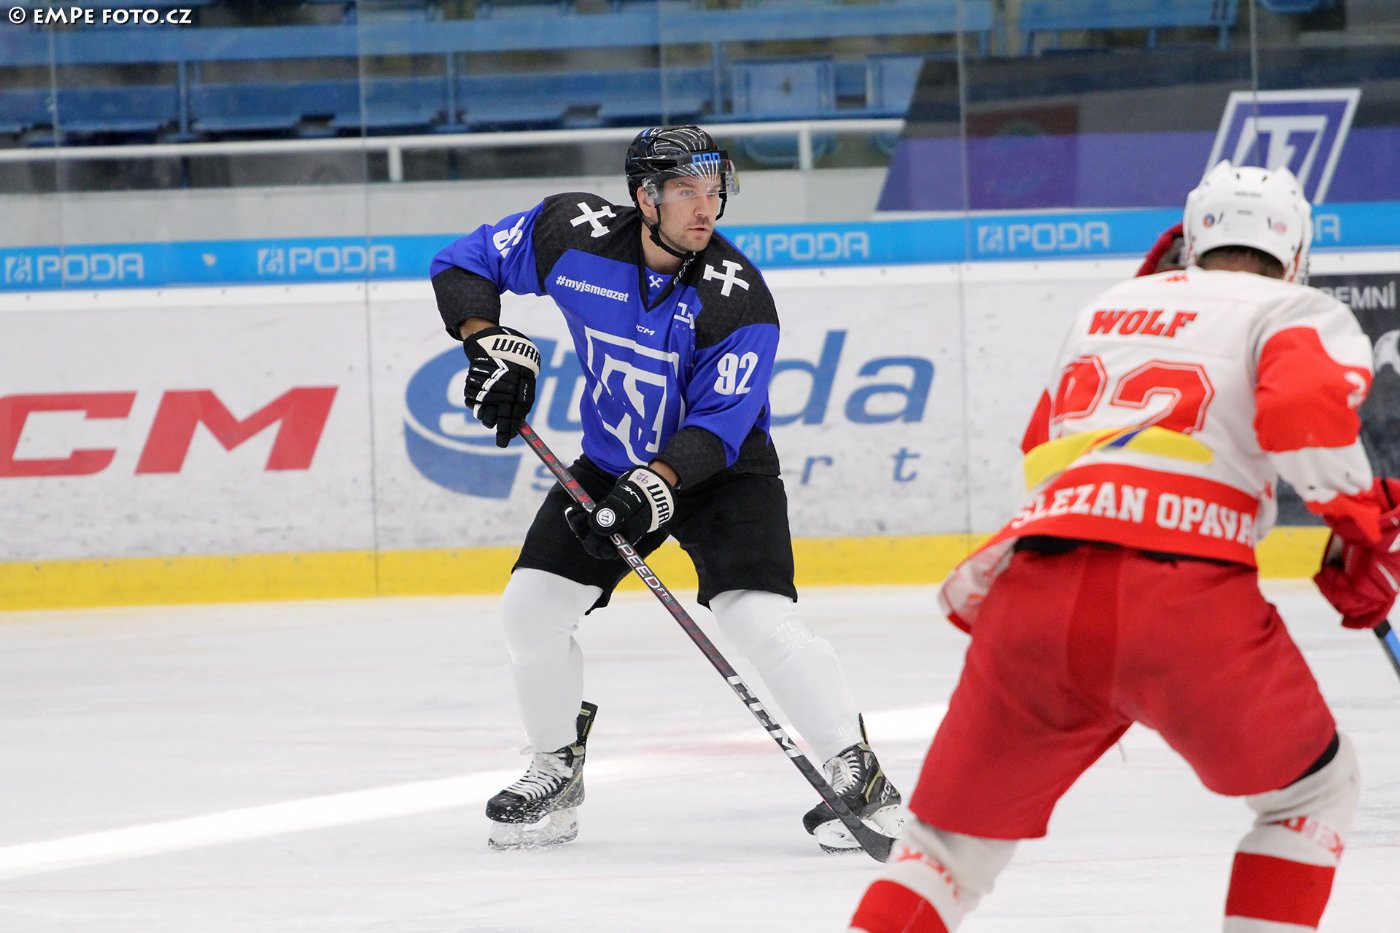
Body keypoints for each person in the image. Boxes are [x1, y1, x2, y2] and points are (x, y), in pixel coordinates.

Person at [848, 161, 1400, 932]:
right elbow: (1303, 411)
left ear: (1193, 239)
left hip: (1035, 592)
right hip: (1185, 605)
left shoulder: (1107, 307)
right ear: (1297, 251)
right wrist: (1365, 532)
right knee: (1314, 792)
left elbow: (1040, 446)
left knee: (942, 850)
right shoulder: (1294, 307)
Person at [429, 125, 901, 852]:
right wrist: (485, 337)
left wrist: (656, 485)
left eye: (714, 190)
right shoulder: (573, 234)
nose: (705, 207)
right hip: (611, 461)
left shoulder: (736, 298)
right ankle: (556, 767)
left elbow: (719, 423)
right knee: (531, 608)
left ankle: (858, 771)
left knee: (758, 616)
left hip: (720, 474)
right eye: (685, 191)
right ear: (643, 196)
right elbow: (463, 261)